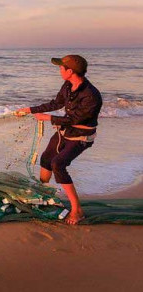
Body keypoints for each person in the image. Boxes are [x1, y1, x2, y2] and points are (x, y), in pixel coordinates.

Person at [16, 54, 102, 225]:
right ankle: (42, 195)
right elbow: (56, 103)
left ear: (70, 71)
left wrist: (48, 119)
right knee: (46, 159)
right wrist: (30, 109)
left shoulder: (91, 95)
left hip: (81, 136)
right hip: (65, 131)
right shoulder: (68, 85)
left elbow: (75, 120)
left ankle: (77, 210)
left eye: (61, 68)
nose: (59, 70)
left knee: (58, 164)